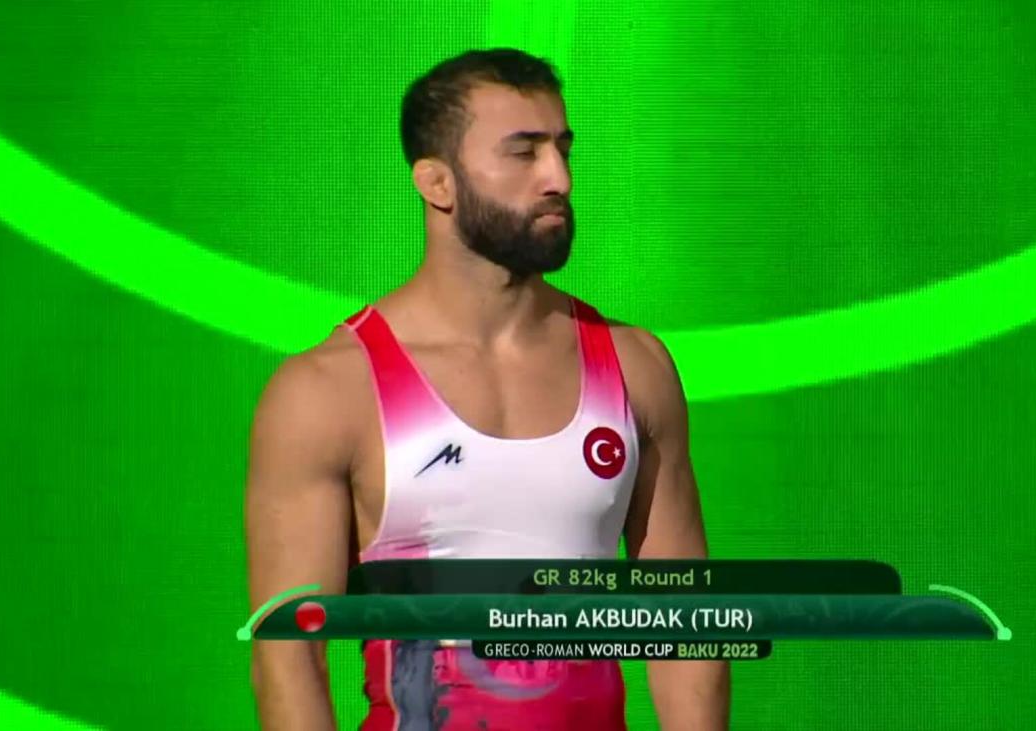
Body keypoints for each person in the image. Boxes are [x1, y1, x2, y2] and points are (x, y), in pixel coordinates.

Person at [244, 48, 729, 730]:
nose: (558, 178)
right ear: (437, 183)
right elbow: (290, 659)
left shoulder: (636, 366)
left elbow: (684, 628)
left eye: (563, 149)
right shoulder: (327, 391)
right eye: (523, 153)